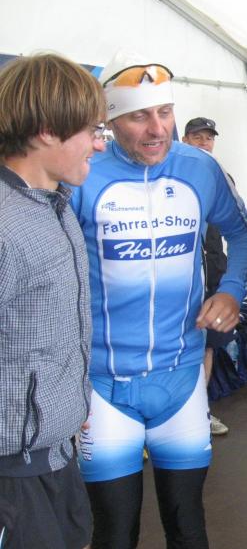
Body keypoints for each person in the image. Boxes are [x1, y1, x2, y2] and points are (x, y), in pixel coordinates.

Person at [72, 51, 247, 548]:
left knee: (188, 527)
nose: (158, 129)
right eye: (140, 116)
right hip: (103, 384)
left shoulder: (199, 167)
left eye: (165, 112)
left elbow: (245, 232)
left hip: (181, 378)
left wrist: (231, 291)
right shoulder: (84, 173)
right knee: (115, 534)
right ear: (112, 120)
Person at [0, 53, 105, 549]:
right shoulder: (5, 224)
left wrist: (62, 403)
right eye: (91, 130)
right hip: (11, 478)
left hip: (58, 457)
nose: (99, 143)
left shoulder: (55, 208)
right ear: (46, 130)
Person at [182, 116, 232, 436]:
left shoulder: (221, 179)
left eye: (208, 138)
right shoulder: (171, 177)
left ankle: (201, 411)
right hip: (181, 279)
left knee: (208, 347)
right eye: (197, 137)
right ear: (185, 140)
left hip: (212, 274)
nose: (204, 143)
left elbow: (237, 227)